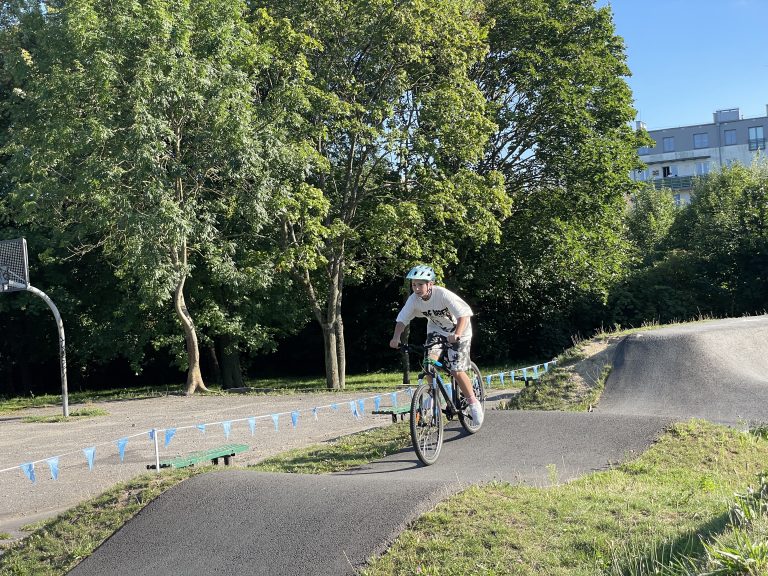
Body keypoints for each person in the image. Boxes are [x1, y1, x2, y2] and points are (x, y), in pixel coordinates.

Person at [389, 264, 484, 426]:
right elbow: (402, 319)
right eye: (414, 285)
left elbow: (464, 315)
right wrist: (396, 337)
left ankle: (473, 402)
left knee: (456, 370)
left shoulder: (443, 295)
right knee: (428, 363)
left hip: (460, 329)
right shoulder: (414, 300)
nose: (416, 288)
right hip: (436, 331)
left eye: (420, 284)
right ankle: (432, 395)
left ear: (430, 284)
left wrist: (457, 334)